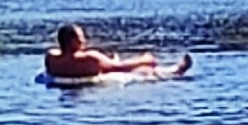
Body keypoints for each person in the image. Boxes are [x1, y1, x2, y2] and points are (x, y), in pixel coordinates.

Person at [44, 22, 190, 83]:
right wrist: (145, 59)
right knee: (144, 70)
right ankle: (176, 70)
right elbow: (119, 67)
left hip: (70, 77)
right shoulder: (89, 57)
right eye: (81, 37)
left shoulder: (51, 58)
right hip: (95, 78)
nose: (84, 40)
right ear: (73, 41)